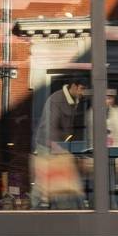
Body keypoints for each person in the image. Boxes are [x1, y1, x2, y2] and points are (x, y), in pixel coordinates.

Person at [33, 78, 89, 208]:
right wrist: (57, 147)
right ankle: (35, 208)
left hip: (61, 145)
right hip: (47, 145)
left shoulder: (76, 100)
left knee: (57, 179)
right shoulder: (56, 99)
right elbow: (49, 126)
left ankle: (58, 207)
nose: (83, 92)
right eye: (82, 89)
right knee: (43, 179)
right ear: (74, 86)